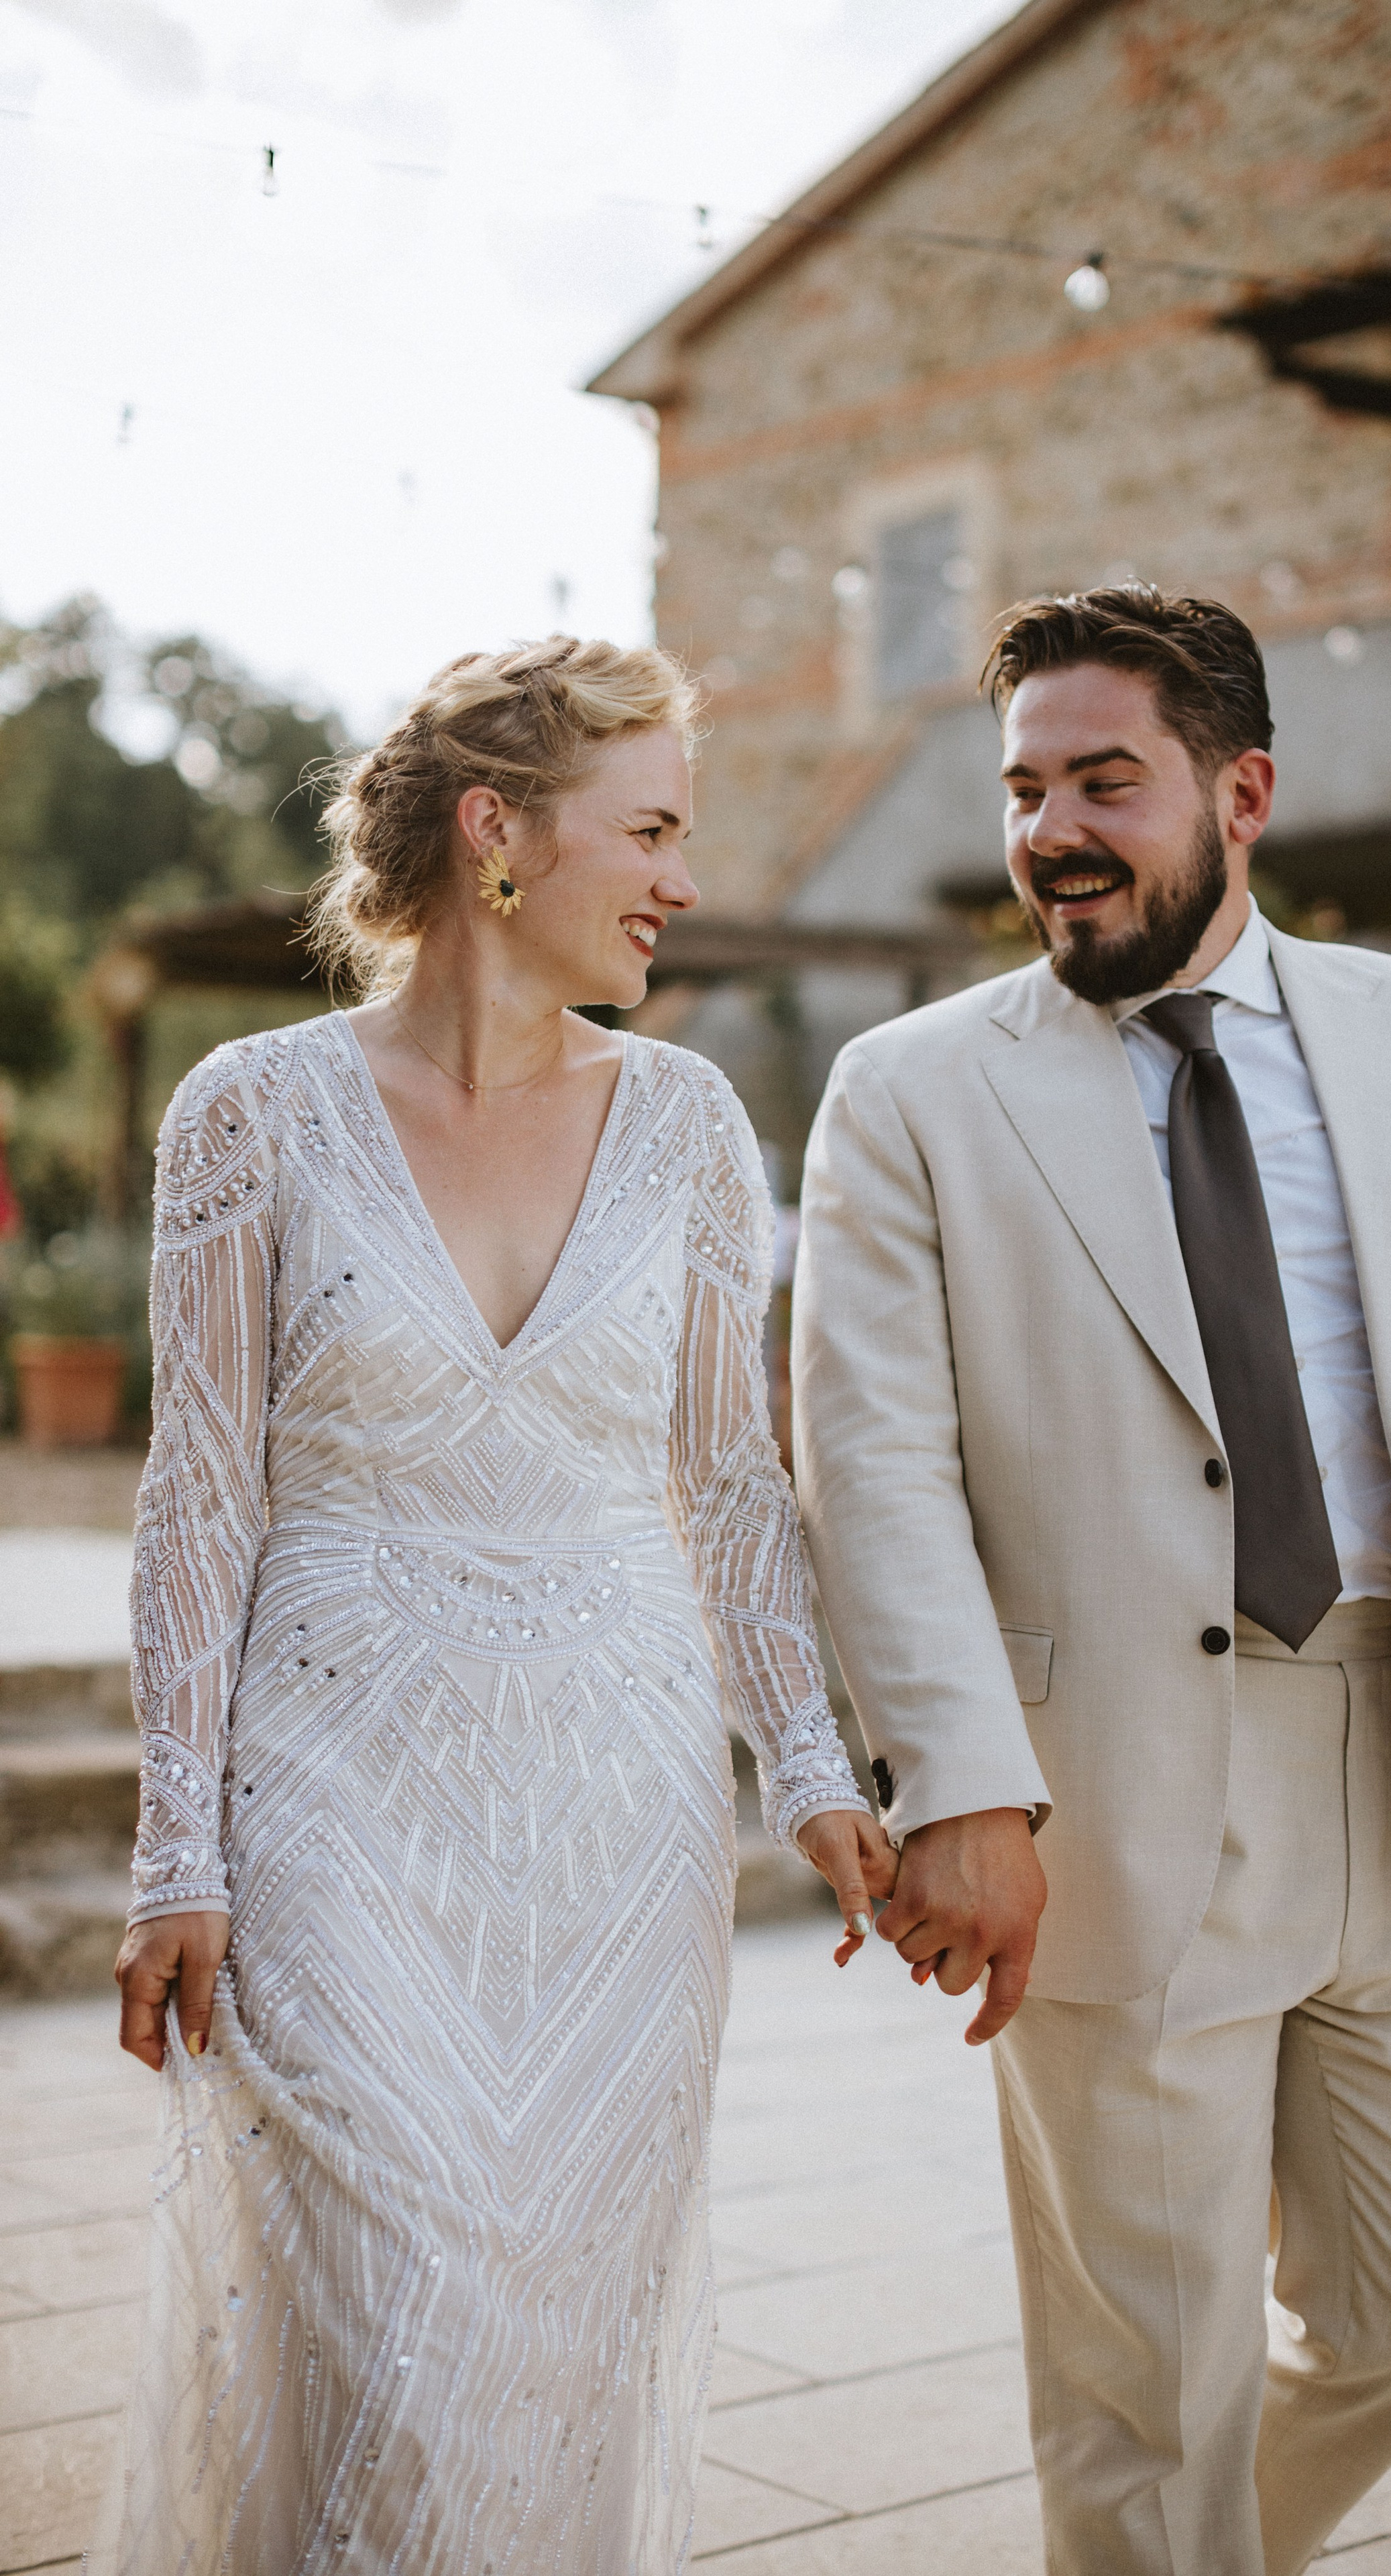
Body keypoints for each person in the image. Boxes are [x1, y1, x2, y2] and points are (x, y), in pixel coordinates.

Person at [790, 584, 1391, 2575]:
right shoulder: (914, 1093)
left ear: (1245, 791)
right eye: (1027, 786)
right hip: (1112, 1794)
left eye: (1106, 781)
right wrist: (957, 1782)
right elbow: (870, 1466)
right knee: (1149, 2391)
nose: (1053, 828)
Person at [103, 637, 892, 2575]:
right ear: (498, 838)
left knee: (553, 2345)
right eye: (651, 828)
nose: (680, 879)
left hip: (617, 1827)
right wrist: (171, 1848)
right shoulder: (251, 1110)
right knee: (389, 2337)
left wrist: (809, 1763)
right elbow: (201, 1496)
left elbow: (727, 1478)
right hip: (335, 1804)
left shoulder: (699, 1124)